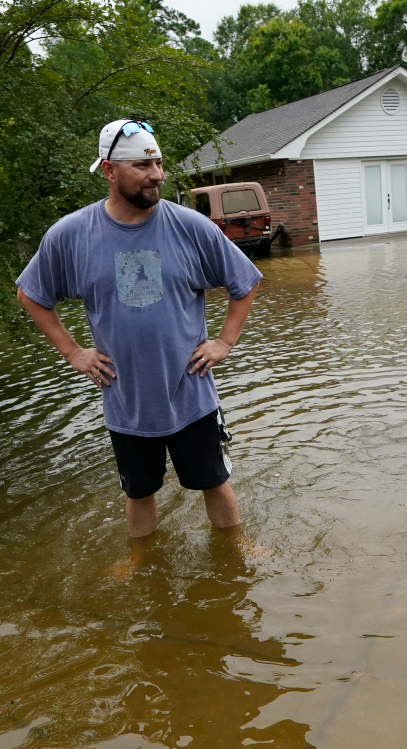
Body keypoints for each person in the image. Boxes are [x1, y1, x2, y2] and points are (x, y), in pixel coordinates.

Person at [17, 119, 261, 541]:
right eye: (142, 167)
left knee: (214, 482)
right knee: (138, 492)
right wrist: (75, 353)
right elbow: (31, 295)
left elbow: (246, 282)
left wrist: (224, 341)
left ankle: (236, 551)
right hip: (126, 400)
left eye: (159, 164)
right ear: (109, 170)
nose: (157, 176)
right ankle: (142, 562)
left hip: (191, 394)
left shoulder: (191, 227)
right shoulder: (72, 235)